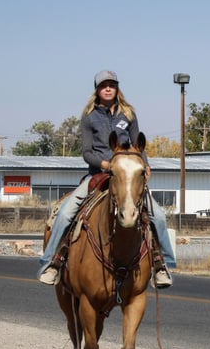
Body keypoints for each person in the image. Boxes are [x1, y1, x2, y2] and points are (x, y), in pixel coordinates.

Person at [38, 69, 175, 287]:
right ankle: (52, 263)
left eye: (112, 85)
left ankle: (162, 266)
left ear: (117, 88)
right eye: (104, 85)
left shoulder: (128, 114)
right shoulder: (88, 116)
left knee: (158, 216)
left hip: (126, 175)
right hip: (97, 175)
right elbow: (86, 152)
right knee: (64, 214)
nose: (108, 88)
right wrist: (105, 164)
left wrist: (145, 165)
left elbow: (138, 146)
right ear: (97, 90)